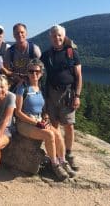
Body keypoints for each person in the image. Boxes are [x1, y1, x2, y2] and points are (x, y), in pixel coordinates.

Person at [15, 59, 75, 180]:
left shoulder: (41, 88)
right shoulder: (22, 88)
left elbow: (43, 110)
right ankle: (54, 165)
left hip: (38, 121)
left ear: (41, 73)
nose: (34, 74)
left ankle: (63, 161)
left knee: (58, 134)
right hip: (24, 123)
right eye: (31, 71)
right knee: (49, 135)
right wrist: (36, 123)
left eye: (37, 71)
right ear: (27, 72)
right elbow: (18, 112)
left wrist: (45, 117)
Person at [40, 24, 82, 171]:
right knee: (55, 125)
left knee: (69, 125)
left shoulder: (71, 53)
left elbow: (78, 76)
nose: (57, 38)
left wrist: (77, 95)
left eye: (59, 35)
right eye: (54, 35)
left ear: (64, 36)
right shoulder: (46, 55)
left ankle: (69, 154)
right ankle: (58, 155)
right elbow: (37, 68)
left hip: (68, 94)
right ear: (50, 37)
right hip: (51, 93)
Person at [4, 23, 41, 90]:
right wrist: (14, 76)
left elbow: (41, 69)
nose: (20, 35)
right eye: (17, 33)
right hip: (16, 84)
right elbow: (6, 69)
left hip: (32, 83)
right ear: (13, 35)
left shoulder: (34, 49)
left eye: (22, 32)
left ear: (26, 33)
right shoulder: (10, 52)